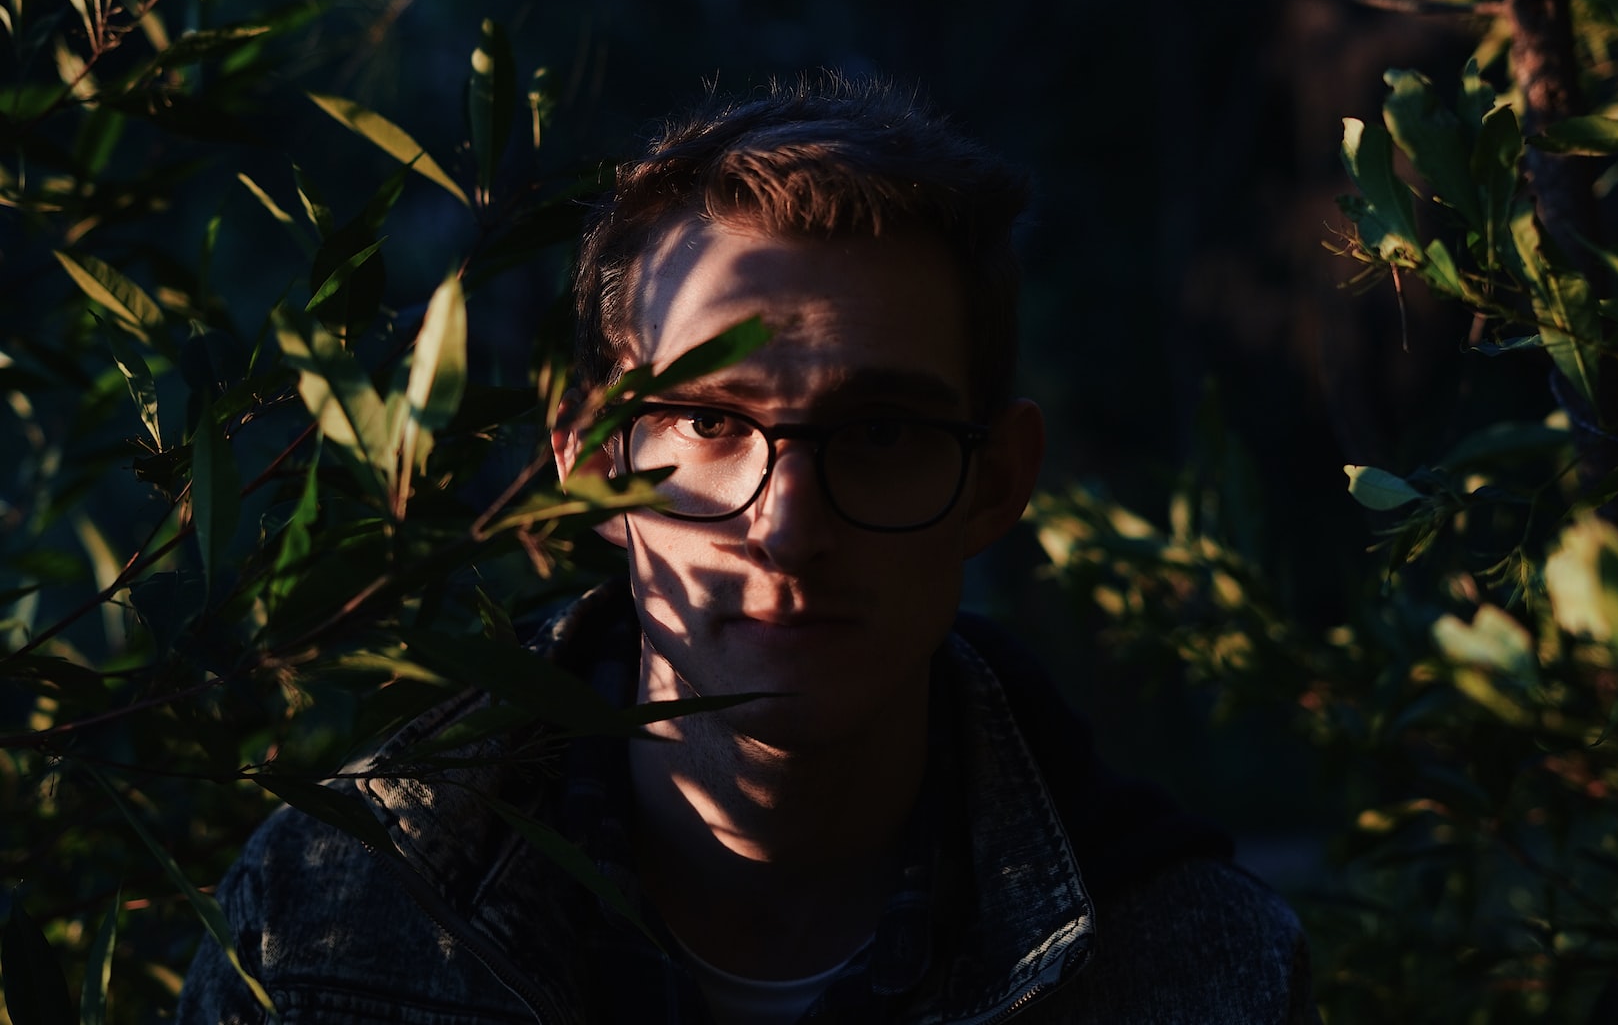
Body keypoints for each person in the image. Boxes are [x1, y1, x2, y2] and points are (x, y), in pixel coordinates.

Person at [179, 75, 1314, 1023]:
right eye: (714, 422)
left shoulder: (1197, 969)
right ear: (591, 459)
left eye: (880, 432)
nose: (788, 525)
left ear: (998, 481)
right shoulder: (331, 914)